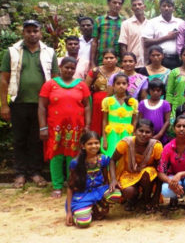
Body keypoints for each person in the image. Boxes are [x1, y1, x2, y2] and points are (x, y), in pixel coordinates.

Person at [0, 19, 59, 189]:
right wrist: (4, 105)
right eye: (28, 31)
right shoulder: (12, 52)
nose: (32, 34)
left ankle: (35, 172)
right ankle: (19, 174)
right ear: (23, 33)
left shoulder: (49, 52)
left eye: (35, 31)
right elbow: (4, 80)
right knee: (19, 139)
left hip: (42, 105)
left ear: (40, 32)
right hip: (18, 103)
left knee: (37, 139)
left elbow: (54, 79)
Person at [38, 57, 91, 197]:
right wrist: (42, 127)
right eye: (66, 67)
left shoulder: (81, 85)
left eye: (72, 68)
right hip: (55, 127)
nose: (69, 70)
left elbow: (87, 106)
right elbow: (42, 107)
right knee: (56, 155)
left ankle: (72, 183)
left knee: (73, 156)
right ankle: (57, 185)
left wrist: (88, 125)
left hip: (76, 127)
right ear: (60, 67)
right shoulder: (50, 85)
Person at [65, 131, 121, 228]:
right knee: (83, 223)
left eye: (96, 143)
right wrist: (69, 212)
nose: (94, 146)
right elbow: (70, 188)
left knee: (116, 194)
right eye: (90, 144)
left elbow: (105, 180)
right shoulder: (76, 163)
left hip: (98, 191)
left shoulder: (102, 159)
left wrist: (105, 202)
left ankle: (96, 207)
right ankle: (81, 212)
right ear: (83, 146)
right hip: (82, 195)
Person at [109, 119, 163, 214]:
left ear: (152, 133)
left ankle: (147, 199)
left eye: (147, 132)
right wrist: (113, 179)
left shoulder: (156, 146)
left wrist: (156, 195)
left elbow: (161, 169)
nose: (143, 134)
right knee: (128, 192)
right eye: (141, 131)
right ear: (135, 131)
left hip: (147, 176)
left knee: (147, 173)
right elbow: (113, 160)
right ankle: (133, 199)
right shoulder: (125, 143)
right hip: (129, 173)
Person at [157, 114, 185, 210]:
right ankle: (173, 198)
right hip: (173, 177)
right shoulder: (168, 147)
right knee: (165, 190)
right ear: (174, 129)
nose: (181, 129)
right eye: (178, 126)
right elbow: (160, 172)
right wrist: (171, 182)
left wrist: (180, 174)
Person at [85, 49, 121, 135]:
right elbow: (85, 88)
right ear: (103, 59)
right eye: (106, 58)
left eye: (111, 58)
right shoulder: (95, 71)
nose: (109, 60)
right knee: (97, 126)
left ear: (116, 59)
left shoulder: (121, 72)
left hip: (115, 104)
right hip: (97, 105)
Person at [101, 73, 138, 157]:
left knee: (125, 157)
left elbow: (134, 121)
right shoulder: (108, 101)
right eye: (118, 83)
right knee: (111, 156)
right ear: (113, 85)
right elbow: (104, 120)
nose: (121, 86)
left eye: (124, 83)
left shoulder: (133, 102)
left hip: (127, 135)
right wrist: (104, 139)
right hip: (111, 134)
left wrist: (134, 138)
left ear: (128, 85)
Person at [142, 0, 183, 69]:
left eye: (169, 6)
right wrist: (167, 37)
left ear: (173, 8)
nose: (166, 8)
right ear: (160, 8)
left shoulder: (180, 22)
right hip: (158, 60)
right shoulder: (152, 22)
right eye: (164, 6)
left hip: (176, 60)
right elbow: (146, 42)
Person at [91, 0, 125, 67]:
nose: (117, 5)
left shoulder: (125, 21)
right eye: (114, 2)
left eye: (120, 3)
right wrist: (92, 62)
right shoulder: (99, 20)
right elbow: (94, 42)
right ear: (109, 3)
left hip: (119, 61)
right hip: (102, 60)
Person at [137, 79, 171, 144]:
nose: (155, 92)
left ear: (162, 91)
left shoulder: (165, 104)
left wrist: (159, 135)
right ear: (149, 90)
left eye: (158, 90)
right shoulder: (142, 103)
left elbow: (167, 121)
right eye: (153, 90)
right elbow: (139, 120)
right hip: (144, 136)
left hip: (160, 137)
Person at [118, 0, 148, 68]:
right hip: (133, 65)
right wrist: (127, 62)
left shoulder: (151, 24)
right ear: (132, 9)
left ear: (144, 7)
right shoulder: (126, 24)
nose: (137, 7)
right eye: (134, 5)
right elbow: (122, 46)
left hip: (147, 65)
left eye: (140, 4)